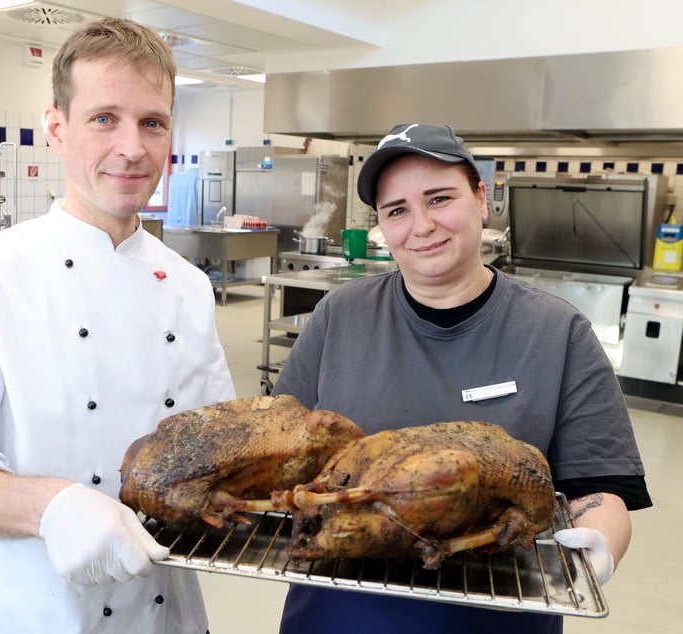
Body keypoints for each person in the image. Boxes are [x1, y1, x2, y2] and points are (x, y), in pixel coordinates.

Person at [0, 17, 235, 634]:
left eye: (153, 122)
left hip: (166, 610)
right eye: (104, 118)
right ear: (57, 129)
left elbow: (217, 448)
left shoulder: (190, 286)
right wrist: (52, 507)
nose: (132, 147)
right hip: (35, 611)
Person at [273, 122, 651, 633]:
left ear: (481, 199)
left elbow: (598, 488)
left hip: (498, 614)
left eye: (439, 198)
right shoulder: (340, 315)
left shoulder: (557, 333)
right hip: (338, 613)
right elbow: (285, 453)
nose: (422, 225)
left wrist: (600, 545)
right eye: (397, 211)